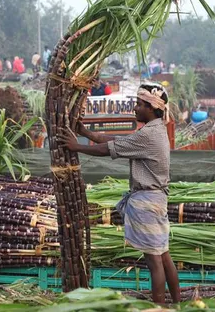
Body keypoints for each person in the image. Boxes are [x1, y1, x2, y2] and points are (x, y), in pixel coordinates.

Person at [57, 84, 180, 305]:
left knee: (154, 262)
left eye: (140, 104)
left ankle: (159, 308)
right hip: (157, 200)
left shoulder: (148, 135)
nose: (135, 108)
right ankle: (178, 306)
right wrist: (85, 133)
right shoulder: (155, 129)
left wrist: (77, 147)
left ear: (151, 108)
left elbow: (108, 149)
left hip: (147, 203)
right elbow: (117, 142)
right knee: (163, 256)